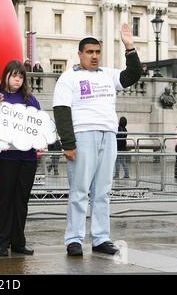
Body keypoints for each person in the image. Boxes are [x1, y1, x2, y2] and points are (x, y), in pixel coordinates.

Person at [52, 23, 141, 257]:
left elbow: (132, 75)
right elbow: (61, 110)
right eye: (89, 52)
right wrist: (68, 143)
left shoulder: (108, 75)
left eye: (97, 52)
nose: (94, 56)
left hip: (108, 136)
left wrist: (129, 47)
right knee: (79, 190)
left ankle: (101, 237)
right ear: (80, 54)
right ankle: (74, 238)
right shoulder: (68, 77)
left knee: (102, 191)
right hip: (83, 135)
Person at [0, 60, 40, 257]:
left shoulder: (30, 100)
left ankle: (18, 242)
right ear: (6, 75)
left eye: (21, 76)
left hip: (27, 158)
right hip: (3, 157)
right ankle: (2, 242)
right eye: (14, 75)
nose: (18, 79)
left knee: (21, 201)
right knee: (4, 200)